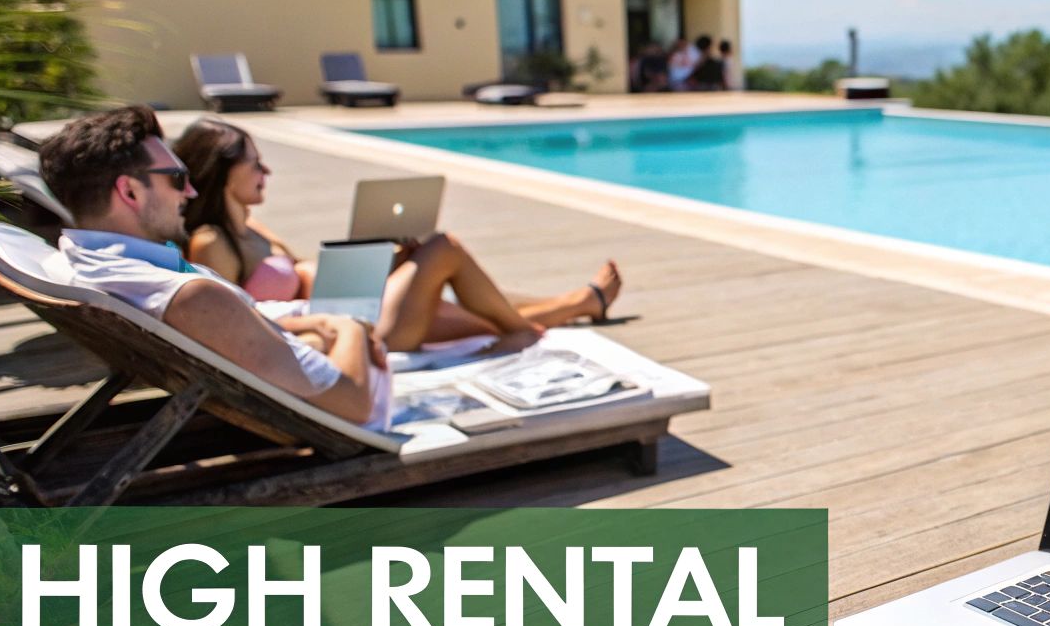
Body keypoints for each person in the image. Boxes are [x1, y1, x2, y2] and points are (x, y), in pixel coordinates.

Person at [36, 105, 390, 428]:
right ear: (130, 193)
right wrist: (350, 327)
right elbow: (356, 405)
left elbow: (234, 319)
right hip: (352, 409)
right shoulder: (189, 295)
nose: (190, 192)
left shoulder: (83, 261)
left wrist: (317, 320)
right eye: (176, 178)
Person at [172, 117, 622, 353]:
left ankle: (575, 304)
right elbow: (235, 322)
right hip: (349, 332)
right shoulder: (213, 242)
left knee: (441, 276)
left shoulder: (250, 227)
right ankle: (547, 320)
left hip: (346, 308)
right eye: (255, 163)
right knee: (445, 251)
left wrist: (384, 258)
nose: (266, 171)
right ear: (223, 169)